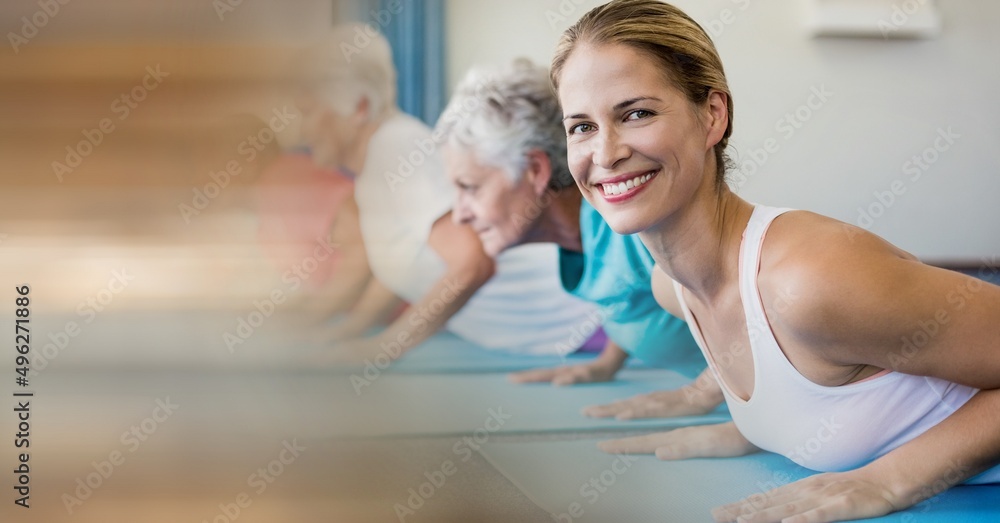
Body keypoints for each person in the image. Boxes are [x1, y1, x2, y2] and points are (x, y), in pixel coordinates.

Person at [550, 1, 1000, 521]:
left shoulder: (808, 280)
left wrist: (889, 481)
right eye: (581, 127)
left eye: (636, 114)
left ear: (712, 116)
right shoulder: (671, 287)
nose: (604, 154)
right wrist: (771, 429)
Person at [296, 24, 601, 361]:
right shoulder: (375, 167)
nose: (300, 129)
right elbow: (406, 263)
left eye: (307, 112)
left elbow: (472, 263)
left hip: (582, 320)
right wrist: (350, 331)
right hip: (558, 333)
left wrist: (382, 349)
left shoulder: (394, 148)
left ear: (359, 108)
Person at [436, 58, 709, 390]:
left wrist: (700, 396)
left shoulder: (633, 230)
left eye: (470, 187)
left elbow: (754, 328)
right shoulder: (586, 236)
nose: (460, 214)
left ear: (536, 170)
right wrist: (606, 365)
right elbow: (631, 295)